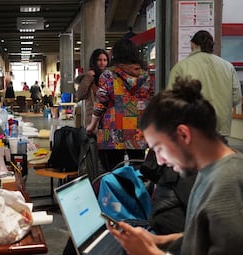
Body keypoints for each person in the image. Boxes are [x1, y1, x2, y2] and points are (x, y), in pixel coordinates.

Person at [107, 77, 243, 255]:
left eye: (159, 148)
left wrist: (149, 253)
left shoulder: (227, 185)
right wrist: (158, 241)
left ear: (183, 134)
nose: (161, 161)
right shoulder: (212, 170)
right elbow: (205, 238)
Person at [86, 39, 154, 171]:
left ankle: (116, 192)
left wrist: (92, 125)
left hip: (111, 130)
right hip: (137, 130)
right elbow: (150, 100)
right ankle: (135, 192)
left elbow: (100, 103)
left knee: (112, 174)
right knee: (137, 172)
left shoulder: (108, 75)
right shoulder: (145, 75)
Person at [167, 30, 242, 143]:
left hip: (192, 128)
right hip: (220, 130)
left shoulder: (181, 67)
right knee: (219, 159)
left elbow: (170, 100)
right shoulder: (228, 67)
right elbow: (236, 98)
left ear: (193, 45)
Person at [75, 48, 109, 127]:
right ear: (94, 61)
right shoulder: (89, 77)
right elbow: (79, 95)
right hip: (91, 119)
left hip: (107, 118)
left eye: (105, 60)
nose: (102, 63)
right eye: (99, 60)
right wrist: (88, 77)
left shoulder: (110, 78)